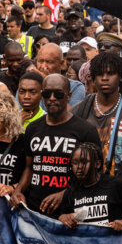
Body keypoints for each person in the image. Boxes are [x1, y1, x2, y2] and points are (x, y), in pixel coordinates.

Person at [17, 74, 101, 217]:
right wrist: (18, 191)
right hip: (34, 210)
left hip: (69, 213)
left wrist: (65, 194)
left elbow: (95, 175)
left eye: (58, 94)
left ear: (68, 96)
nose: (52, 98)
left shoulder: (85, 131)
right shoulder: (33, 128)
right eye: (47, 94)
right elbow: (29, 167)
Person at [71, 52, 122, 184]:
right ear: (93, 78)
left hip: (118, 188)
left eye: (111, 74)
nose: (105, 78)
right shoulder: (80, 110)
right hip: (84, 188)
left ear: (121, 77)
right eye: (100, 74)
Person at [57, 142, 122, 230]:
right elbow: (62, 216)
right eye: (75, 162)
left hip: (113, 238)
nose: (79, 167)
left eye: (84, 162)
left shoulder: (116, 184)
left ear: (97, 164)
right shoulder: (70, 192)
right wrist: (63, 217)